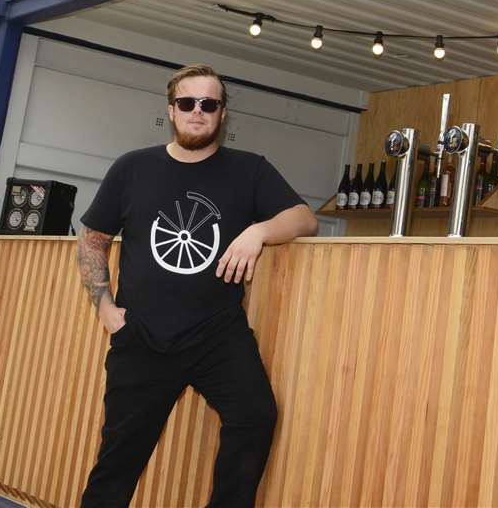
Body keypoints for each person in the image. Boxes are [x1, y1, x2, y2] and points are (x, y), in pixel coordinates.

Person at [75, 63, 318, 508]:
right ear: (172, 110)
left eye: (210, 104)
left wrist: (259, 231)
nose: (198, 112)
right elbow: (93, 241)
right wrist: (106, 310)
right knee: (118, 458)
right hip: (141, 335)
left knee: (255, 418)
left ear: (222, 114)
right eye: (188, 103)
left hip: (217, 334)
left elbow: (305, 219)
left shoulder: (250, 171)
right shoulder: (133, 168)